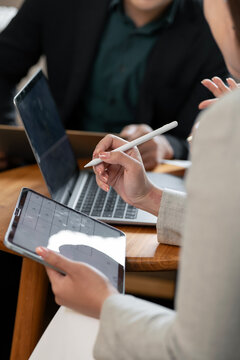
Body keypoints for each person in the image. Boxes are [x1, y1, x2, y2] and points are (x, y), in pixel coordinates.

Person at [28, 0, 240, 358]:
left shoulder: (229, 124)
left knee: (67, 329)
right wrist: (150, 198)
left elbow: (201, 351)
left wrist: (104, 303)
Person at [0, 0, 227, 170]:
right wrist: (8, 141)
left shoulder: (217, 24)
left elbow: (211, 136)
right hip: (54, 165)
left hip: (144, 177)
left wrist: (167, 146)